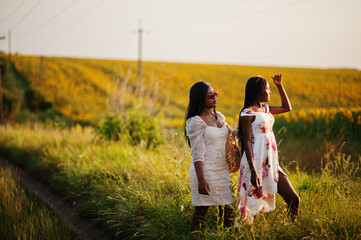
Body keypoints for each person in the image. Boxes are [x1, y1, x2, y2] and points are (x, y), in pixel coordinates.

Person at [237, 73, 300, 223]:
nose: (269, 92)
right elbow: (246, 142)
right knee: (252, 209)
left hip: (271, 164)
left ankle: (291, 229)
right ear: (259, 91)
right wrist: (253, 171)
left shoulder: (265, 109)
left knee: (293, 199)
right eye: (268, 89)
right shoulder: (247, 113)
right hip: (255, 163)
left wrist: (279, 85)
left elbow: (287, 107)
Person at [185, 82, 234, 230]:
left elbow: (232, 135)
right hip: (204, 171)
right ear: (200, 98)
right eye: (210, 95)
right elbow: (197, 153)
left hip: (222, 171)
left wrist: (252, 123)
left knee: (229, 214)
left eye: (215, 93)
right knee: (200, 214)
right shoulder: (195, 121)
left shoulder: (219, 116)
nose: (214, 97)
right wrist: (201, 180)